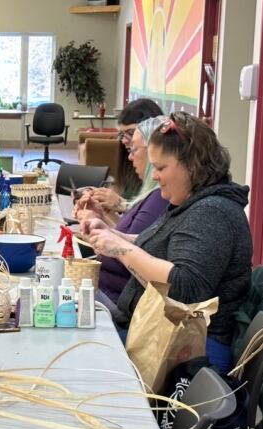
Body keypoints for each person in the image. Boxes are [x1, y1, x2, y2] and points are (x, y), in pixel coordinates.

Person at [82, 112, 252, 372]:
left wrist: (119, 248)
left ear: (192, 165)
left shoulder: (213, 212)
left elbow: (184, 289)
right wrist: (111, 233)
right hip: (154, 331)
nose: (156, 176)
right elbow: (159, 246)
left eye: (161, 168)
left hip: (185, 352)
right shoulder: (191, 203)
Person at [75, 116, 170, 303]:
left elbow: (127, 255)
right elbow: (131, 237)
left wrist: (102, 233)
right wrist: (101, 217)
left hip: (114, 298)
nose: (129, 156)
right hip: (109, 292)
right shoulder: (152, 195)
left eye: (133, 149)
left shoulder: (159, 198)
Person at [82, 98, 164, 217]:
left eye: (130, 133)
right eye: (121, 134)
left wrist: (122, 204)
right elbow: (125, 227)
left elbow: (145, 223)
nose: (124, 141)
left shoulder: (161, 188)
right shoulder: (129, 162)